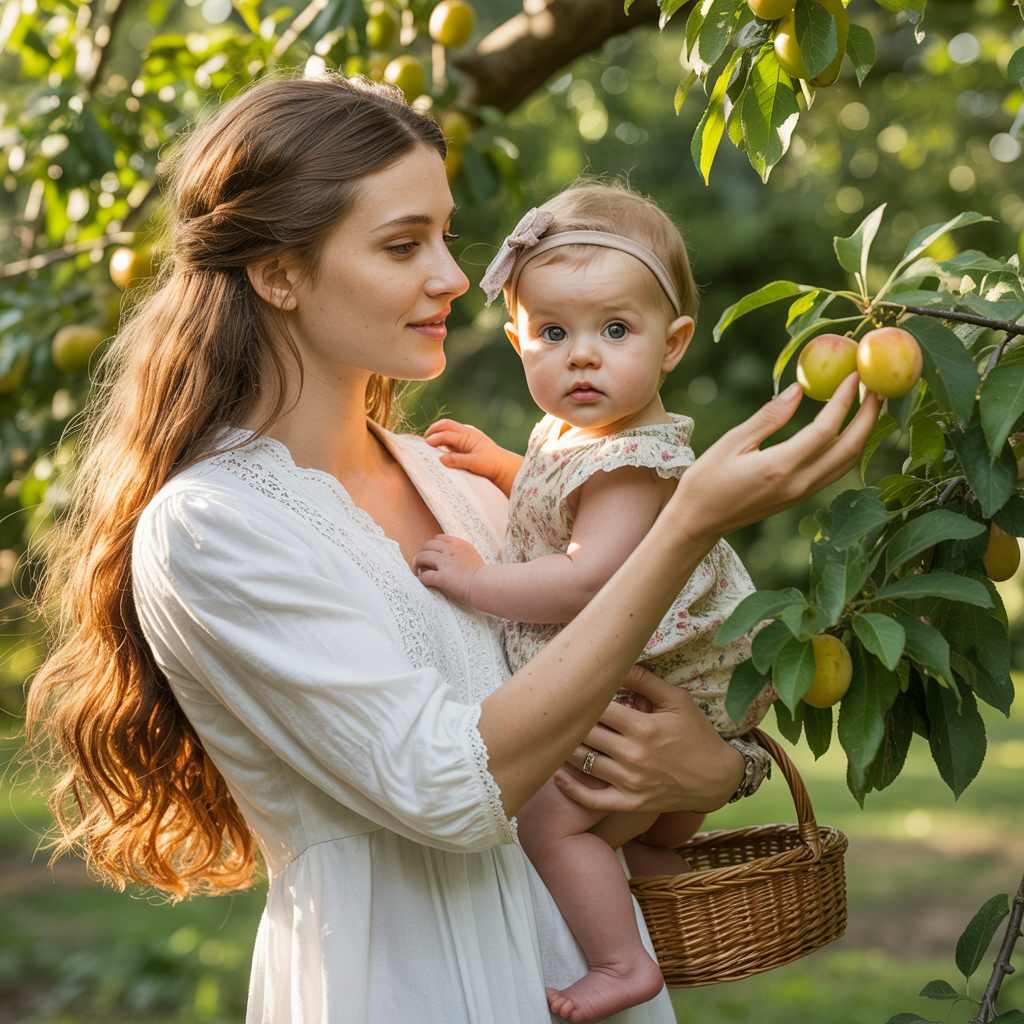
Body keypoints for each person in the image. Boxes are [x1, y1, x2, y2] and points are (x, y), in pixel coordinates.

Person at [26, 73, 881, 1024]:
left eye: (444, 235)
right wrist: (688, 525)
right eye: (403, 245)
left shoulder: (465, 484)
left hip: (574, 972)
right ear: (278, 274)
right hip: (404, 983)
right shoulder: (214, 525)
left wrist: (714, 769)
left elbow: (613, 684)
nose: (452, 275)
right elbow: (447, 789)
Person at [412, 182, 777, 1023]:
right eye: (551, 332)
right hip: (662, 689)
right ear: (517, 338)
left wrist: (474, 581)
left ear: (673, 342)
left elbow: (584, 579)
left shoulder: (631, 461)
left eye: (615, 330)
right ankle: (655, 872)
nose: (581, 355)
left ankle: (620, 964)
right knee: (635, 829)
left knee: (547, 822)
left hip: (648, 677)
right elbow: (556, 494)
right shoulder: (583, 437)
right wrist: (504, 464)